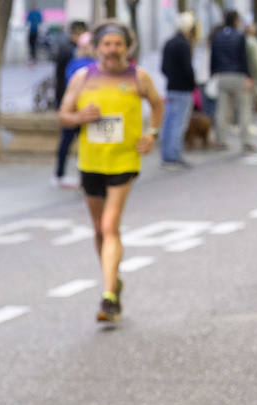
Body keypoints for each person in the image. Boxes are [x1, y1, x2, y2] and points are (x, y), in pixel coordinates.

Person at [58, 21, 162, 325]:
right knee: (98, 229)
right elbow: (63, 115)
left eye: (118, 44)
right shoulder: (82, 77)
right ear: (97, 48)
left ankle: (109, 296)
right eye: (107, 45)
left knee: (109, 226)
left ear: (126, 47)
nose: (113, 50)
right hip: (91, 162)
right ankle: (112, 277)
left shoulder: (138, 76)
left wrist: (151, 133)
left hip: (124, 161)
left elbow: (157, 104)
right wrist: (80, 116)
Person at [53, 26, 93, 188]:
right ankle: (61, 174)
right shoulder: (77, 63)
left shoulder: (93, 63)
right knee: (69, 140)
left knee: (79, 142)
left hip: (85, 110)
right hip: (76, 109)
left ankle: (82, 174)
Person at [210, 10, 253, 152]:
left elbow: (213, 58)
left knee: (221, 110)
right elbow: (244, 58)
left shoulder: (217, 36)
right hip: (238, 75)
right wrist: (248, 76)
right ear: (235, 20)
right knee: (243, 109)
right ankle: (245, 141)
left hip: (222, 75)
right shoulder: (240, 36)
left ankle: (221, 140)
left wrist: (213, 74)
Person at [160, 12, 198, 168]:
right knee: (178, 123)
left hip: (171, 87)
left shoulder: (169, 42)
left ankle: (167, 155)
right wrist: (192, 83)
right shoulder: (184, 44)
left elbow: (163, 67)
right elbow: (188, 69)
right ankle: (174, 156)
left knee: (169, 122)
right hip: (182, 88)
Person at [246, 22, 257, 114]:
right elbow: (255, 59)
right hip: (251, 74)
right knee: (248, 99)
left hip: (249, 73)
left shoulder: (247, 40)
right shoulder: (252, 42)